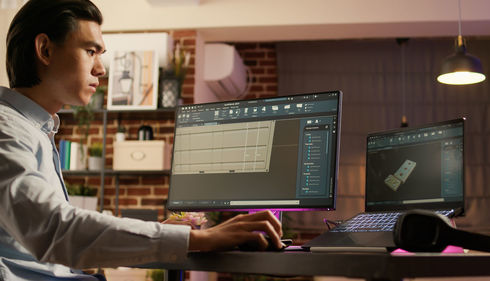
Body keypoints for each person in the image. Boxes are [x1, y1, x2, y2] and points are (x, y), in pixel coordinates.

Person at [0, 0, 283, 280]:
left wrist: (164, 234)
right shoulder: (7, 129)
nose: (101, 69)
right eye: (90, 51)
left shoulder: (34, 129)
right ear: (45, 50)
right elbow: (56, 231)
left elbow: (55, 237)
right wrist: (198, 238)